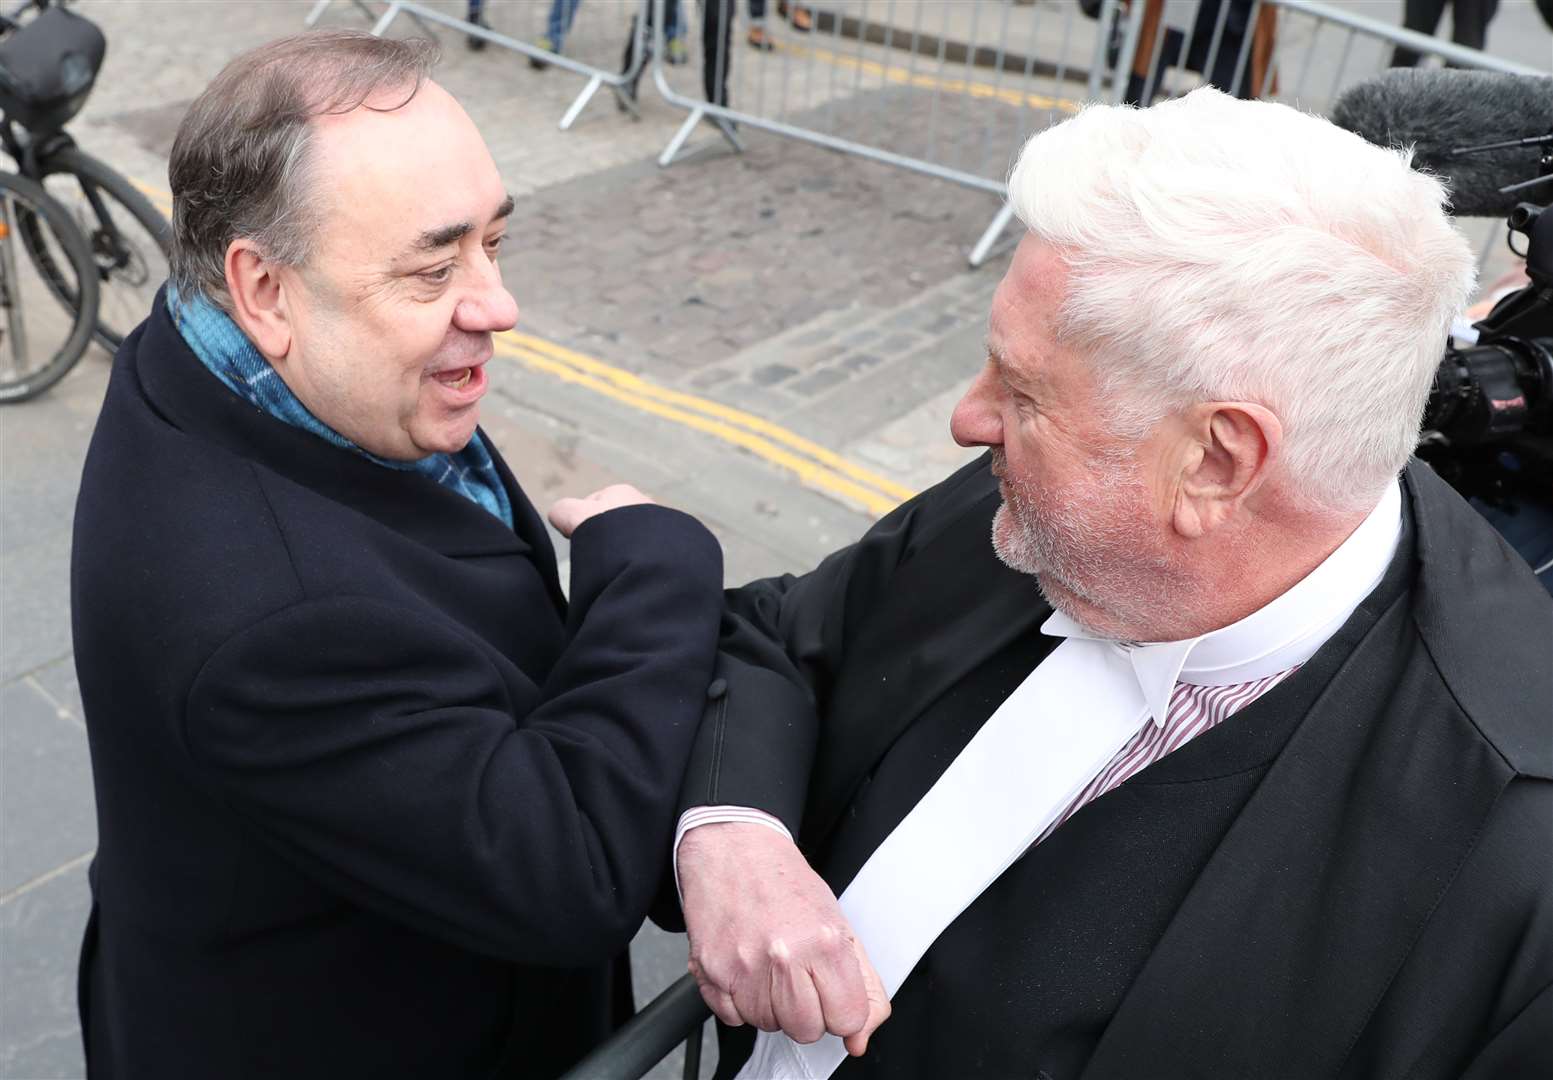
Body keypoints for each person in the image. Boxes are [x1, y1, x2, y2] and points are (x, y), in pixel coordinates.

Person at [670, 88, 1553, 1079]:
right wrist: (730, 833)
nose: (970, 419)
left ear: (1215, 461)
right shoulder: (1035, 498)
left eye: (1023, 390)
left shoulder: (1507, 863)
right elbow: (778, 638)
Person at [71, 31, 725, 1079]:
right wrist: (651, 559)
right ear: (265, 291)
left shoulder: (234, 361)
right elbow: (572, 870)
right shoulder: (276, 622)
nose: (494, 305)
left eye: (493, 243)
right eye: (431, 267)